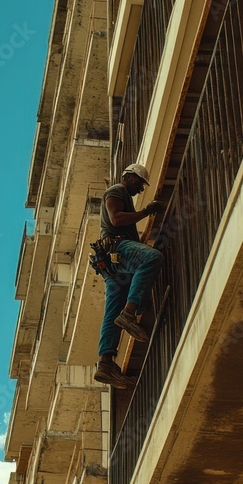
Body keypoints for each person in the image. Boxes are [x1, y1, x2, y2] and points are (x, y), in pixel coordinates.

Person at [93, 163, 165, 388]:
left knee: (112, 311)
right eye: (139, 184)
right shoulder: (117, 190)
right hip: (116, 250)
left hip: (111, 264)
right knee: (152, 258)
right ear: (129, 176)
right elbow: (116, 220)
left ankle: (105, 364)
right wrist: (147, 211)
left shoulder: (125, 196)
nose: (140, 190)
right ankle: (129, 314)